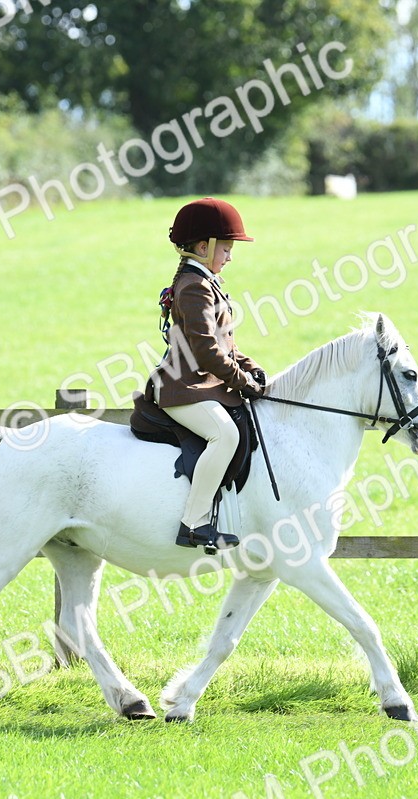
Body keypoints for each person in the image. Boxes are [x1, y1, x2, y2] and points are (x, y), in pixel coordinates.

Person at [149, 197, 266, 551]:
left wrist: (250, 367)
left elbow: (223, 344)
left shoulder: (205, 281)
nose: (230, 256)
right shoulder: (194, 286)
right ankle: (194, 524)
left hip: (200, 384)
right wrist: (242, 382)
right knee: (225, 436)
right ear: (204, 247)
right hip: (182, 389)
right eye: (226, 249)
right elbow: (206, 350)